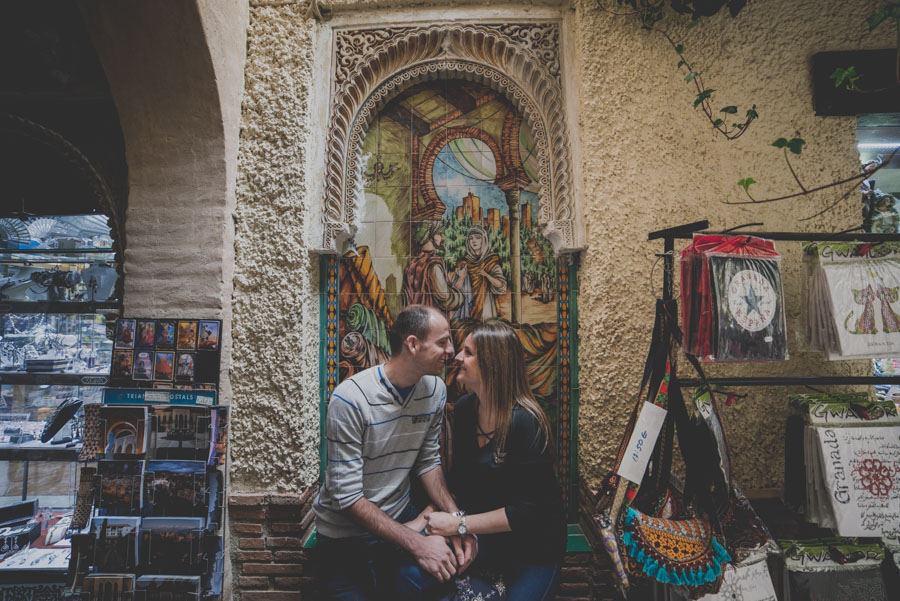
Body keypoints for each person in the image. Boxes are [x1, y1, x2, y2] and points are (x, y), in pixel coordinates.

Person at [314, 304, 477, 600]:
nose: (451, 351)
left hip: (403, 524)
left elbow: (428, 461)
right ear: (412, 345)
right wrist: (418, 544)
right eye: (442, 342)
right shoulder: (350, 400)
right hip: (346, 544)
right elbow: (347, 498)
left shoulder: (434, 390)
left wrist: (457, 520)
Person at [424, 321, 566, 601]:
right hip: (489, 543)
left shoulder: (527, 422)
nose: (457, 357)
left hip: (535, 550)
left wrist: (460, 526)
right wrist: (457, 530)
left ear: (493, 363)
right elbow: (463, 485)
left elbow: (527, 512)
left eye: (468, 352)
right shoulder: (465, 410)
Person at [402, 221, 464, 317]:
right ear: (429, 236)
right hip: (432, 322)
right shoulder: (433, 265)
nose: (443, 238)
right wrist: (460, 283)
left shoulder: (413, 263)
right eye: (439, 233)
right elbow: (445, 298)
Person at [452, 225, 507, 321]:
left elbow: (501, 286)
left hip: (486, 308)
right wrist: (461, 278)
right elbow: (454, 292)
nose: (474, 241)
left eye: (477, 238)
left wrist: (486, 275)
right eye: (471, 238)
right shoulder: (464, 263)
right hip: (466, 310)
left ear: (484, 240)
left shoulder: (491, 261)